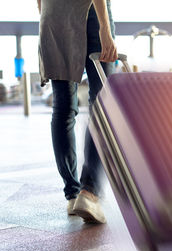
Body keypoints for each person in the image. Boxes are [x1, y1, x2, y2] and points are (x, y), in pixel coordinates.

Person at [37, 0, 118, 223]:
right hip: (91, 10)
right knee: (103, 106)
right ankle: (89, 192)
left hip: (52, 13)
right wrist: (104, 27)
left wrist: (46, 14)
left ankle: (73, 193)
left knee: (63, 106)